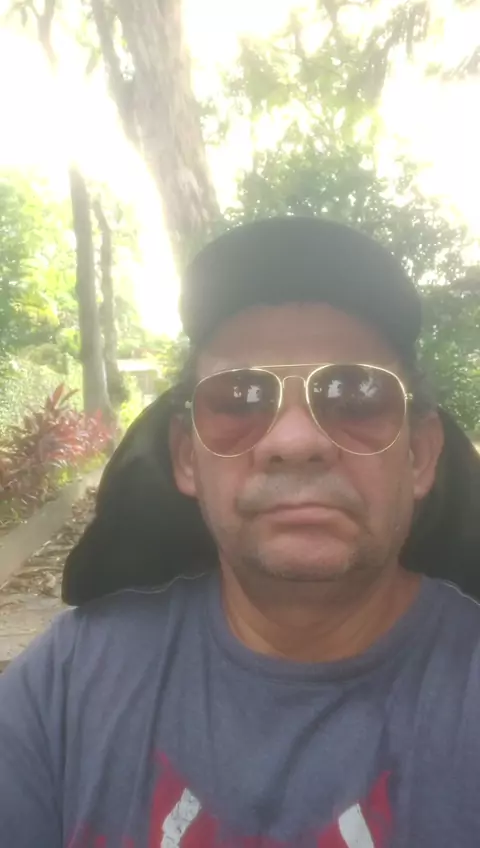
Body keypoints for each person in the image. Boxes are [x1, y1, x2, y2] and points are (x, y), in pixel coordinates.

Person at [1, 217, 480, 848]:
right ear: (186, 458)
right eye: (240, 398)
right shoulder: (65, 684)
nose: (296, 441)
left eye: (355, 395)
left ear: (419, 456)